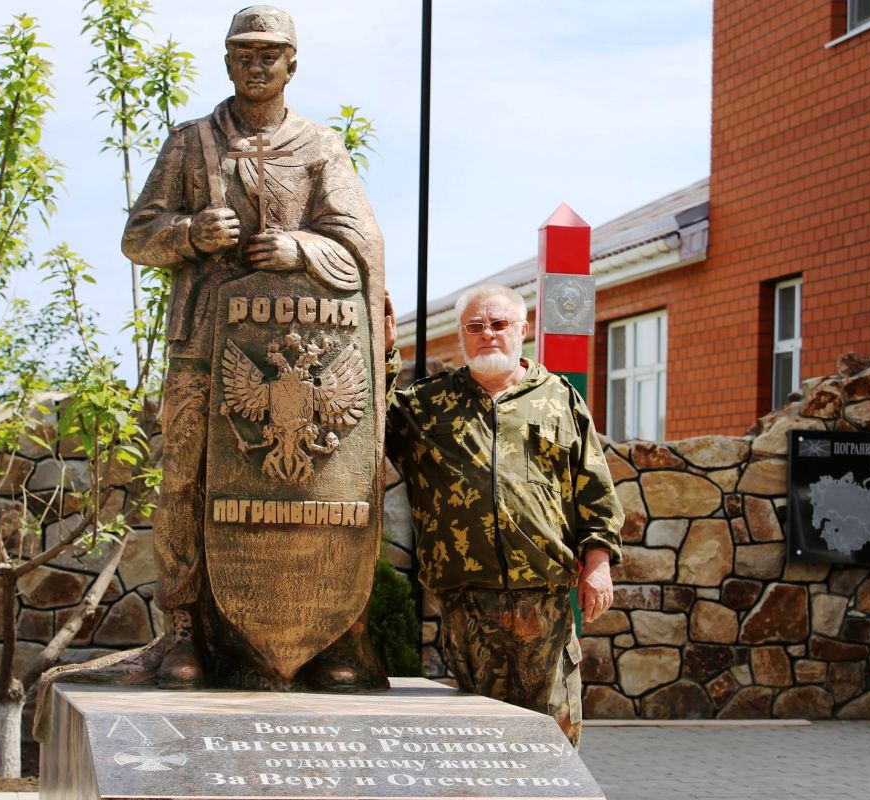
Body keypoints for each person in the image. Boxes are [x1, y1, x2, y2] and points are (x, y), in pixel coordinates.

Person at [121, 5, 382, 688]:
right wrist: (190, 233)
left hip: (291, 341)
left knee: (314, 491)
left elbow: (361, 241)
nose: (257, 65)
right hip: (203, 342)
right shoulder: (191, 143)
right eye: (244, 54)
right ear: (228, 61)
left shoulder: (320, 146)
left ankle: (326, 636)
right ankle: (185, 629)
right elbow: (138, 236)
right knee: (184, 480)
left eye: (270, 54)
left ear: (292, 64)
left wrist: (301, 247)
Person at [383, 285, 623, 746]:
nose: (487, 334)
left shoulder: (559, 399)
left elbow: (593, 488)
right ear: (461, 335)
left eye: (499, 324)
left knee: (553, 736)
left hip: (544, 598)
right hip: (467, 601)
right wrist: (386, 350)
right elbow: (370, 414)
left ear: (523, 330)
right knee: (480, 741)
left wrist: (598, 563)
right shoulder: (429, 404)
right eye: (475, 326)